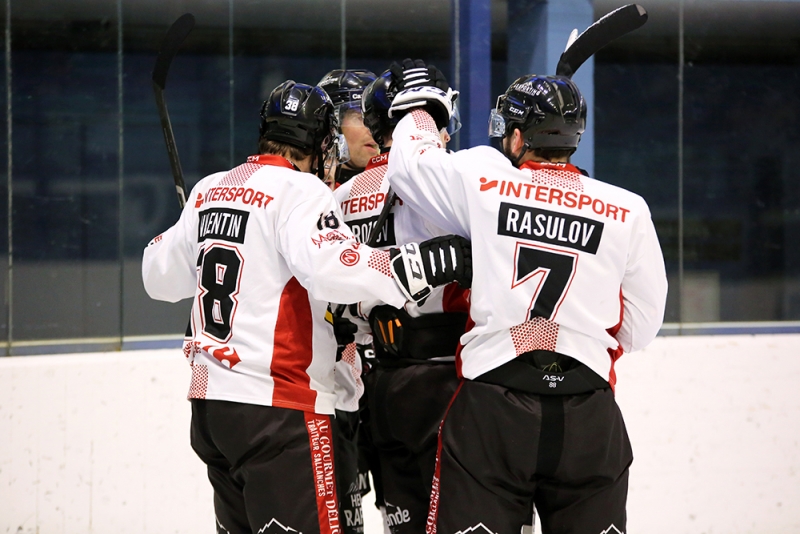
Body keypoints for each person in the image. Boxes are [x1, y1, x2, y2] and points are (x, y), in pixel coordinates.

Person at [141, 79, 471, 534]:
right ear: (319, 144)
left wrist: (189, 229)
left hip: (211, 408)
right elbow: (334, 266)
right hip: (278, 410)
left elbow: (157, 276)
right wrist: (424, 262)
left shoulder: (209, 189)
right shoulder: (300, 191)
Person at [384, 59, 668, 534]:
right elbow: (642, 324)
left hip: (495, 409)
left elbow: (408, 169)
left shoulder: (484, 181)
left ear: (517, 138)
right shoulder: (627, 208)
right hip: (588, 414)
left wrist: (422, 108)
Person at [332, 70, 468, 534]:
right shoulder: (449, 181)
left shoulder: (339, 198)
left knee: (402, 520)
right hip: (451, 377)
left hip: (380, 385)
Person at [318, 67, 380, 534]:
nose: (375, 127)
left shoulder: (402, 184)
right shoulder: (302, 198)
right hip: (333, 397)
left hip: (398, 387)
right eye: (361, 114)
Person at [318, 69, 379, 187]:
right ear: (332, 124)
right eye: (361, 118)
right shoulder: (308, 188)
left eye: (377, 118)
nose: (373, 129)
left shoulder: (397, 182)